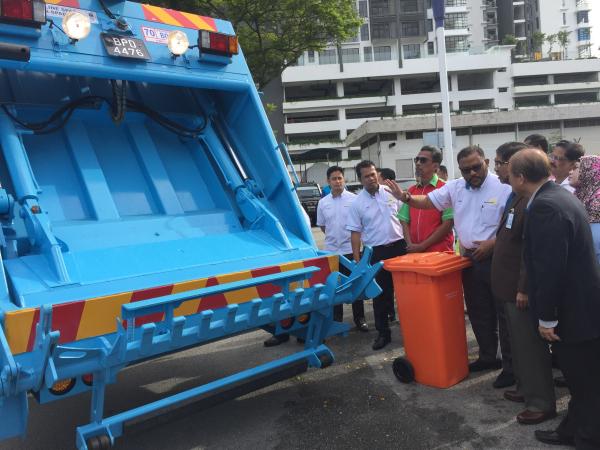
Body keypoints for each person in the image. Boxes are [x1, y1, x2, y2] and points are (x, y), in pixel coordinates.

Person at [383, 146, 512, 380]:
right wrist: (405, 197)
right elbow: (427, 202)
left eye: (476, 167)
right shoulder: (456, 187)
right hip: (469, 259)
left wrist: (493, 244)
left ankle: (510, 368)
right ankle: (488, 357)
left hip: (497, 258)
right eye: (466, 170)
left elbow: (514, 226)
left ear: (486, 162)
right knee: (478, 311)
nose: (472, 173)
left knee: (504, 314)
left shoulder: (504, 187)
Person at [508, 149, 600, 448]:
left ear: (521, 178)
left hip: (573, 311)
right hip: (582, 305)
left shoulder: (546, 206)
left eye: (510, 173)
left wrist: (547, 318)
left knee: (584, 382)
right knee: (582, 379)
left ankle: (587, 438)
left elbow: (550, 268)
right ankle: (570, 430)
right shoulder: (559, 196)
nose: (507, 178)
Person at [491, 142, 556, 423]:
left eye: (500, 163)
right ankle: (526, 388)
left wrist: (523, 287)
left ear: (515, 169)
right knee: (519, 345)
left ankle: (540, 402)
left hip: (519, 290)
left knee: (530, 348)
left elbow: (531, 250)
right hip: (507, 286)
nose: (497, 168)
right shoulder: (516, 196)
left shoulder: (535, 202)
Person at [346, 160, 407, 350]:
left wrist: (410, 244)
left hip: (400, 248)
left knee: (406, 291)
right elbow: (355, 233)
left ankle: (411, 329)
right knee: (380, 294)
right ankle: (383, 333)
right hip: (376, 253)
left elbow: (405, 218)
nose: (371, 178)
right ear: (360, 179)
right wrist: (357, 260)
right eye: (366, 176)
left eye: (373, 174)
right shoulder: (357, 203)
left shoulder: (391, 192)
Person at [316, 166, 368, 331]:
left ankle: (359, 319)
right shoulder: (323, 203)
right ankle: (337, 320)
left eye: (340, 178)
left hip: (351, 251)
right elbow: (323, 226)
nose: (337, 182)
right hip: (332, 253)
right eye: (334, 179)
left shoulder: (354, 200)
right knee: (334, 288)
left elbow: (360, 225)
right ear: (328, 181)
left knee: (356, 286)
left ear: (344, 180)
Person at [397, 146, 454, 253]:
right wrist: (410, 244)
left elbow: (448, 224)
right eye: (416, 159)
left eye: (423, 160)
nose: (418, 163)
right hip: (415, 252)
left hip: (440, 253)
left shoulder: (446, 188)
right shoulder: (411, 190)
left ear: (435, 166)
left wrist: (422, 246)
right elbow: (404, 220)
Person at [569, 155, 600, 264]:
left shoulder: (597, 201)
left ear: (590, 171)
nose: (570, 172)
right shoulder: (579, 195)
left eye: (576, 168)